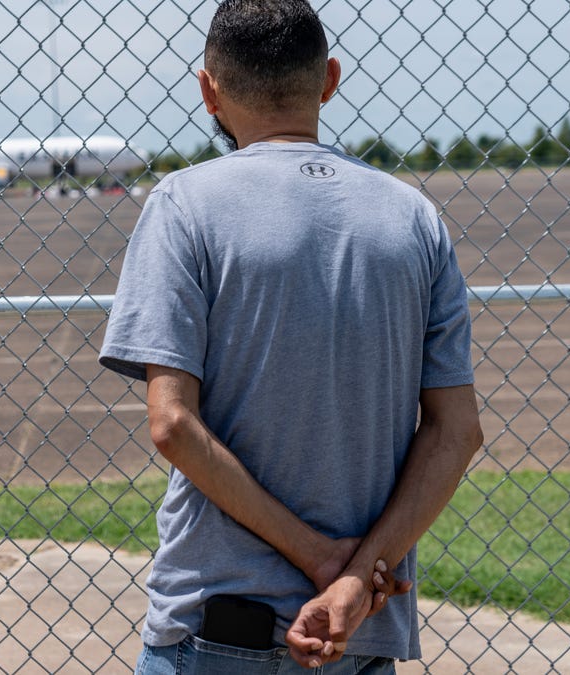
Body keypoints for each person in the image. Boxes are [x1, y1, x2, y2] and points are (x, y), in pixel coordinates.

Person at [97, 1, 484, 673]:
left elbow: (171, 424)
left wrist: (318, 557)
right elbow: (456, 431)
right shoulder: (413, 218)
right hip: (357, 633)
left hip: (217, 624)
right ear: (330, 79)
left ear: (208, 90)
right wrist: (355, 577)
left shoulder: (184, 205)